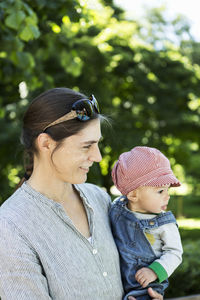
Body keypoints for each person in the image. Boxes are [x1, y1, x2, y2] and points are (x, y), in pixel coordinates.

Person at [0, 88, 163, 300]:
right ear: (46, 143)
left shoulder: (100, 199)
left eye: (97, 144)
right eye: (87, 146)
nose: (97, 156)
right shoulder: (11, 227)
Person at [110, 146, 183, 300]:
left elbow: (175, 253)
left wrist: (154, 271)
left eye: (168, 190)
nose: (167, 196)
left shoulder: (164, 223)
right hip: (116, 280)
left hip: (145, 286)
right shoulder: (117, 210)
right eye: (160, 191)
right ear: (133, 194)